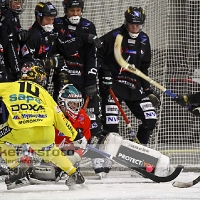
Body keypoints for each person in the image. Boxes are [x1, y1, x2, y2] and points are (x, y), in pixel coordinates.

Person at [0, 61, 87, 190]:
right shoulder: (44, 92)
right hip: (45, 130)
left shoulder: (8, 86)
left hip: (20, 127)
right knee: (50, 152)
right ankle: (74, 174)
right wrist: (74, 134)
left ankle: (15, 171)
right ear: (38, 77)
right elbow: (59, 117)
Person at [96, 7, 160, 174]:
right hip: (113, 86)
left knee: (150, 118)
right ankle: (104, 159)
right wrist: (105, 72)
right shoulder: (114, 35)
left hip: (134, 86)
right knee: (111, 126)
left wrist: (148, 90)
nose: (135, 28)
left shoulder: (144, 39)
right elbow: (97, 54)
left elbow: (143, 68)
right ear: (126, 22)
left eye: (138, 25)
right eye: (132, 24)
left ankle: (138, 156)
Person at [54, 0, 103, 138]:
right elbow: (61, 48)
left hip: (83, 79)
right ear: (65, 10)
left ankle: (95, 156)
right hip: (64, 79)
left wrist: (91, 80)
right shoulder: (57, 24)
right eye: (72, 11)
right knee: (62, 118)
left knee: (93, 120)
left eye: (78, 10)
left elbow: (92, 56)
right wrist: (81, 38)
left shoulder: (89, 26)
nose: (75, 14)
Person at [20, 2, 66, 98]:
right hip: (30, 85)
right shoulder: (32, 36)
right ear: (38, 18)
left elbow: (57, 56)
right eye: (47, 19)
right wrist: (46, 62)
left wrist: (61, 71)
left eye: (52, 20)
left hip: (45, 81)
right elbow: (25, 63)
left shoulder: (51, 34)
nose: (50, 23)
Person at [0, 0, 30, 81]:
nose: (18, 5)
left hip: (12, 66)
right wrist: (17, 71)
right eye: (16, 2)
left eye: (20, 2)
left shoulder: (13, 16)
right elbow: (7, 46)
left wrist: (21, 34)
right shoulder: (5, 17)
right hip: (6, 68)